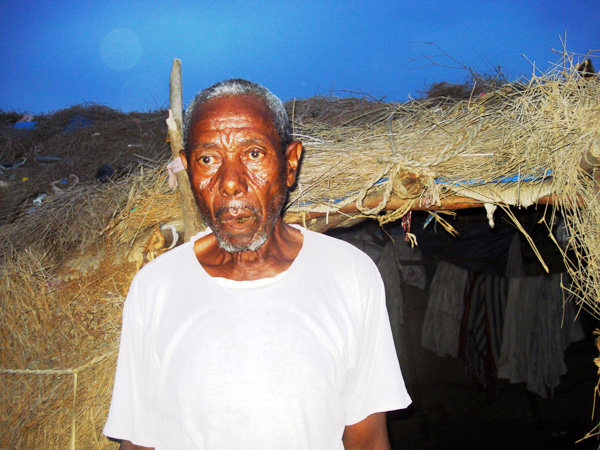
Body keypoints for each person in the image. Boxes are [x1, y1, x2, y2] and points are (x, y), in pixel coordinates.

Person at [103, 79, 411, 450]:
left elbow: (367, 439)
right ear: (187, 169)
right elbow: (139, 440)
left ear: (290, 163)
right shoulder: (155, 288)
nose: (231, 182)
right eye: (207, 159)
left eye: (253, 154)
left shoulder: (350, 275)